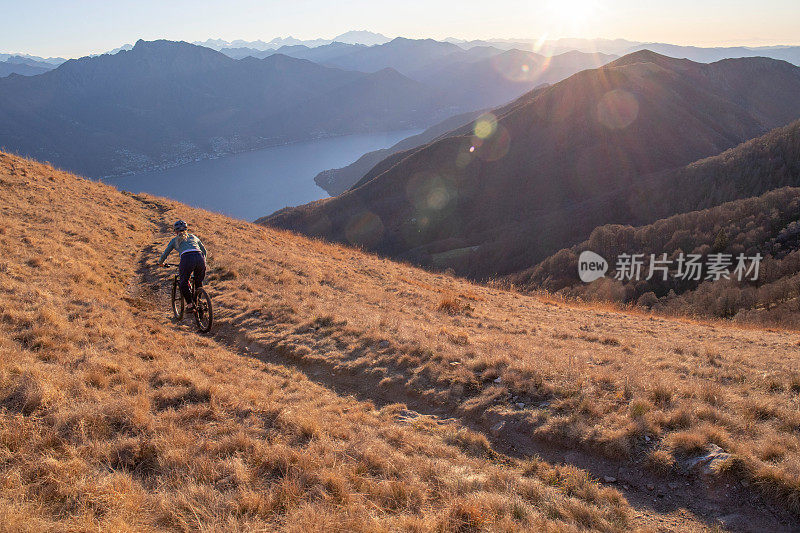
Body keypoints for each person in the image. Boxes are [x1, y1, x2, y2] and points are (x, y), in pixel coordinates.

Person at [159, 220, 207, 312]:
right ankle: (199, 302)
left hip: (187, 259)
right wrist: (204, 261)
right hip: (200, 258)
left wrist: (161, 263)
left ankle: (190, 305)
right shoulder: (193, 237)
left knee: (183, 282)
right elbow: (204, 251)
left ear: (175, 231)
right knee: (198, 281)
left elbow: (165, 253)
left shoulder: (174, 240)